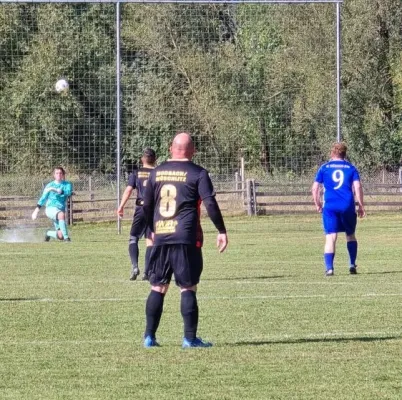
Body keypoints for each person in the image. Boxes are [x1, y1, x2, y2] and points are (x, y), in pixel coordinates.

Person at [142, 132, 228, 348]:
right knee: (188, 287)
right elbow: (210, 204)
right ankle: (190, 339)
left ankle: (149, 337)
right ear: (193, 151)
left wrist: (152, 231)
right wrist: (221, 230)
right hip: (186, 237)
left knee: (157, 287)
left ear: (171, 148)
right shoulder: (198, 173)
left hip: (161, 236)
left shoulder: (157, 172)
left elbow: (147, 206)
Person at [312, 142, 365, 276]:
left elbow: (315, 188)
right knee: (350, 234)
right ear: (344, 154)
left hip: (330, 206)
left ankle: (329, 268)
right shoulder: (351, 168)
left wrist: (318, 204)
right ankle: (352, 264)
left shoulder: (324, 168)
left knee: (331, 236)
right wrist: (361, 205)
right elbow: (357, 187)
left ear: (332, 153)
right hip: (347, 205)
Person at [117, 148, 157, 281]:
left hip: (140, 208)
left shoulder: (136, 173)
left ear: (142, 159)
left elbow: (128, 190)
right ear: (155, 159)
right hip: (154, 210)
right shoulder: (158, 173)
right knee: (150, 240)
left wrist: (121, 206)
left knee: (133, 238)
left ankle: (135, 266)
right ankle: (147, 272)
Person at [31, 166, 73, 242]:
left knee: (60, 236)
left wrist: (61, 191)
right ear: (54, 175)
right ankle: (67, 239)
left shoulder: (67, 184)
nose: (59, 175)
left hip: (60, 209)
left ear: (63, 175)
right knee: (61, 215)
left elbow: (69, 192)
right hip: (50, 209)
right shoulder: (49, 186)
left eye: (60, 173)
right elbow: (43, 198)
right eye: (57, 173)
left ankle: (48, 233)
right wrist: (36, 210)